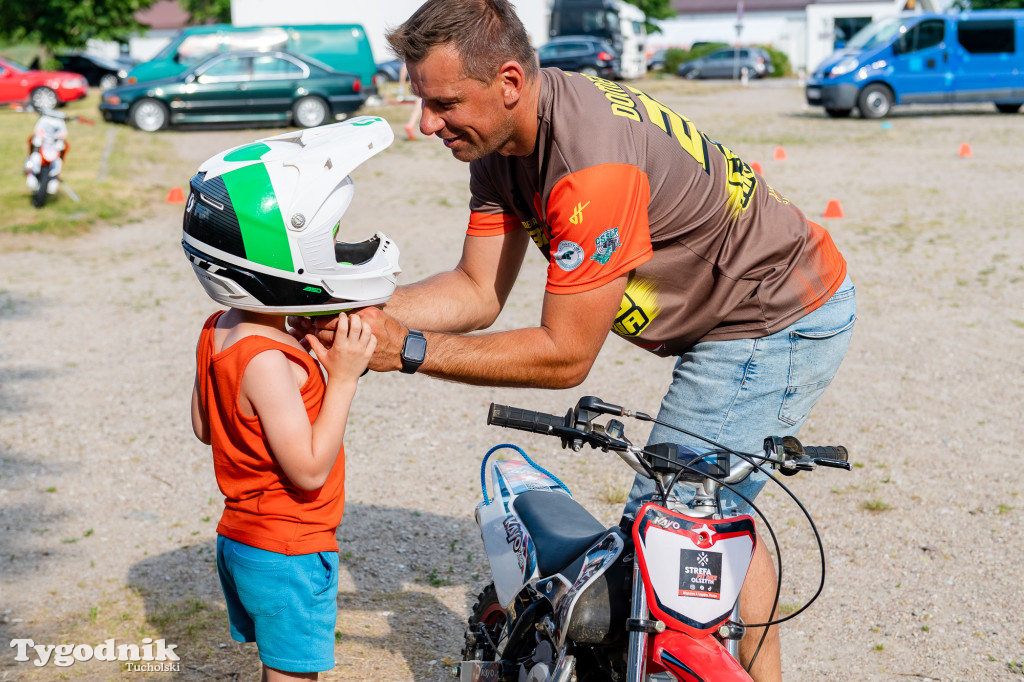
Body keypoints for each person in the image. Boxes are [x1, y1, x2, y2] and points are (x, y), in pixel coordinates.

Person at [304, 1, 855, 678]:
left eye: (444, 102)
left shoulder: (590, 165)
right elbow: (477, 291)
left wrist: (410, 350)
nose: (425, 124)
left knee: (659, 549)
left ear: (509, 81)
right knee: (710, 505)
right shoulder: (502, 144)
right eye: (422, 101)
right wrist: (346, 310)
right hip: (736, 310)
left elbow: (566, 355)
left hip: (770, 315)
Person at [185, 118, 401, 681]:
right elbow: (307, 470)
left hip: (242, 539)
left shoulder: (219, 329)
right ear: (279, 257)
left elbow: (207, 426)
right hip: (289, 549)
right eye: (321, 240)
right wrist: (346, 376)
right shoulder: (268, 361)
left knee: (277, 668)